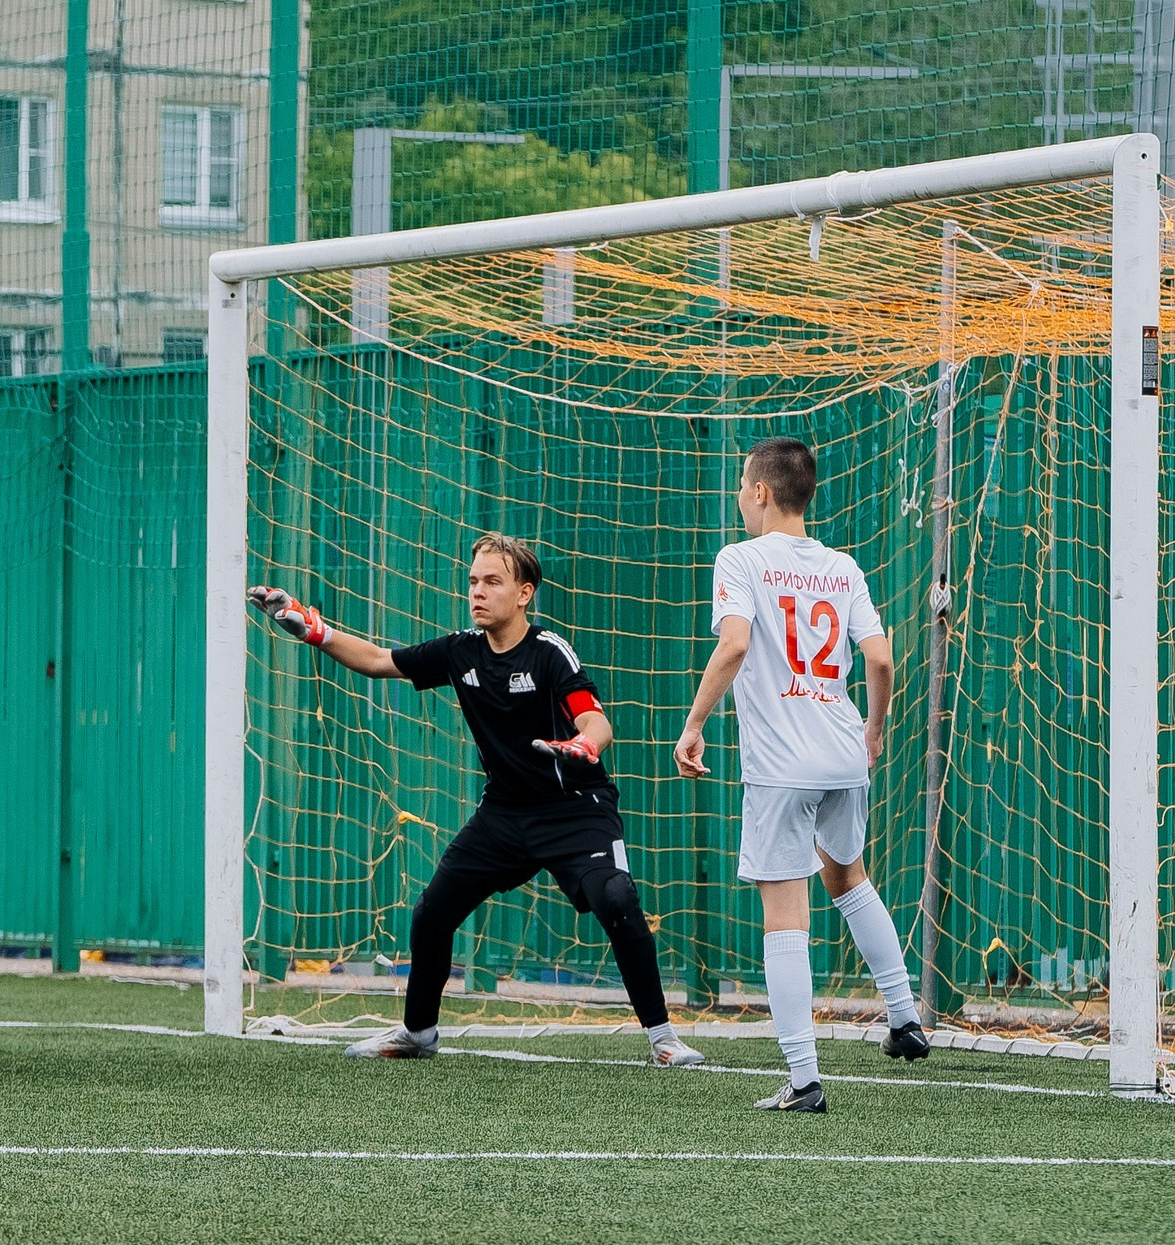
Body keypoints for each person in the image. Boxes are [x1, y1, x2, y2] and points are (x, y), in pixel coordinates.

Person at [247, 535, 703, 1068]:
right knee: (431, 914)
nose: (478, 592)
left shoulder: (548, 653)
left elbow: (595, 719)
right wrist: (312, 629)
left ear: (524, 593)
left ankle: (663, 1038)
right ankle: (418, 1032)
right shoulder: (461, 650)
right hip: (504, 814)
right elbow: (376, 660)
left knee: (618, 901)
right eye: (473, 582)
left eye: (492, 582)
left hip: (575, 809)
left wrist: (584, 744)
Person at [675, 438, 928, 1114]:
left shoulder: (741, 558)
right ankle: (905, 1018)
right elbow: (880, 660)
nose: (738, 496)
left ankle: (805, 1079)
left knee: (785, 911)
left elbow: (733, 643)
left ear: (760, 491)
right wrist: (872, 728)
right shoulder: (842, 566)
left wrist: (694, 723)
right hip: (844, 750)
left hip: (783, 764)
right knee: (849, 874)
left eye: (740, 484)